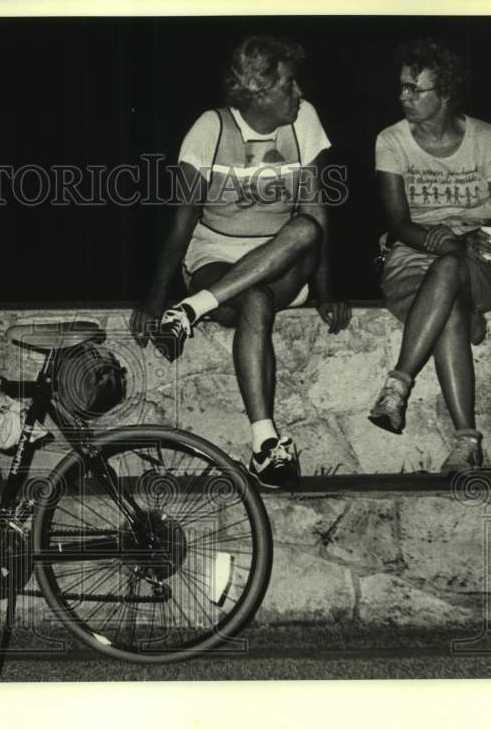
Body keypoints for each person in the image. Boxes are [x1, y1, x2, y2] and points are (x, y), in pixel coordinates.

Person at [131, 35, 351, 489]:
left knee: (306, 229)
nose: (298, 93)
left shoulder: (303, 120)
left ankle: (190, 311)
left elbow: (318, 211)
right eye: (289, 85)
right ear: (257, 89)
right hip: (216, 257)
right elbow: (183, 220)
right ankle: (265, 444)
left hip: (283, 256)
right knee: (254, 299)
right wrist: (155, 298)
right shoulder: (210, 129)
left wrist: (328, 291)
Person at [368, 38, 491, 473]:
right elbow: (398, 221)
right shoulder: (391, 140)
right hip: (416, 253)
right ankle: (466, 441)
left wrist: (481, 233)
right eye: (402, 87)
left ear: (446, 95)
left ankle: (397, 386)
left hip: (483, 255)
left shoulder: (485, 137)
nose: (403, 97)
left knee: (452, 267)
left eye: (415, 89)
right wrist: (432, 238)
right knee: (449, 302)